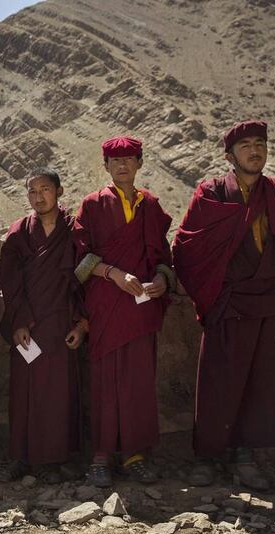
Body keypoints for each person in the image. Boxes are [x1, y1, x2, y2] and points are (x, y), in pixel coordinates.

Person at [173, 120, 275, 490]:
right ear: (230, 155)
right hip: (227, 303)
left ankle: (244, 456)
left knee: (261, 383)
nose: (254, 150)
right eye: (245, 145)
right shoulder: (212, 193)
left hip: (270, 303)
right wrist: (210, 296)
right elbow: (186, 248)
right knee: (218, 381)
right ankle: (207, 456)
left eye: (260, 143)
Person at [73, 136, 174, 487]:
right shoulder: (92, 205)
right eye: (115, 160)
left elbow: (163, 255)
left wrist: (162, 278)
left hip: (141, 305)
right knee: (104, 381)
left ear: (140, 163)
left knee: (138, 382)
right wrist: (113, 273)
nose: (122, 166)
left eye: (129, 159)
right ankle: (101, 455)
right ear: (105, 166)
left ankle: (135, 454)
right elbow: (79, 260)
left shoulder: (152, 206)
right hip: (106, 304)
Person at [0, 167, 86, 484]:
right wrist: (19, 321)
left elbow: (83, 281)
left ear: (59, 192)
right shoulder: (19, 232)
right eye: (32, 191)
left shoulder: (75, 230)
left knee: (59, 392)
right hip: (28, 328)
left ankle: (54, 458)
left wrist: (82, 323)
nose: (38, 197)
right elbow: (9, 281)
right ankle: (21, 456)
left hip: (61, 325)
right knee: (24, 392)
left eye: (45, 189)